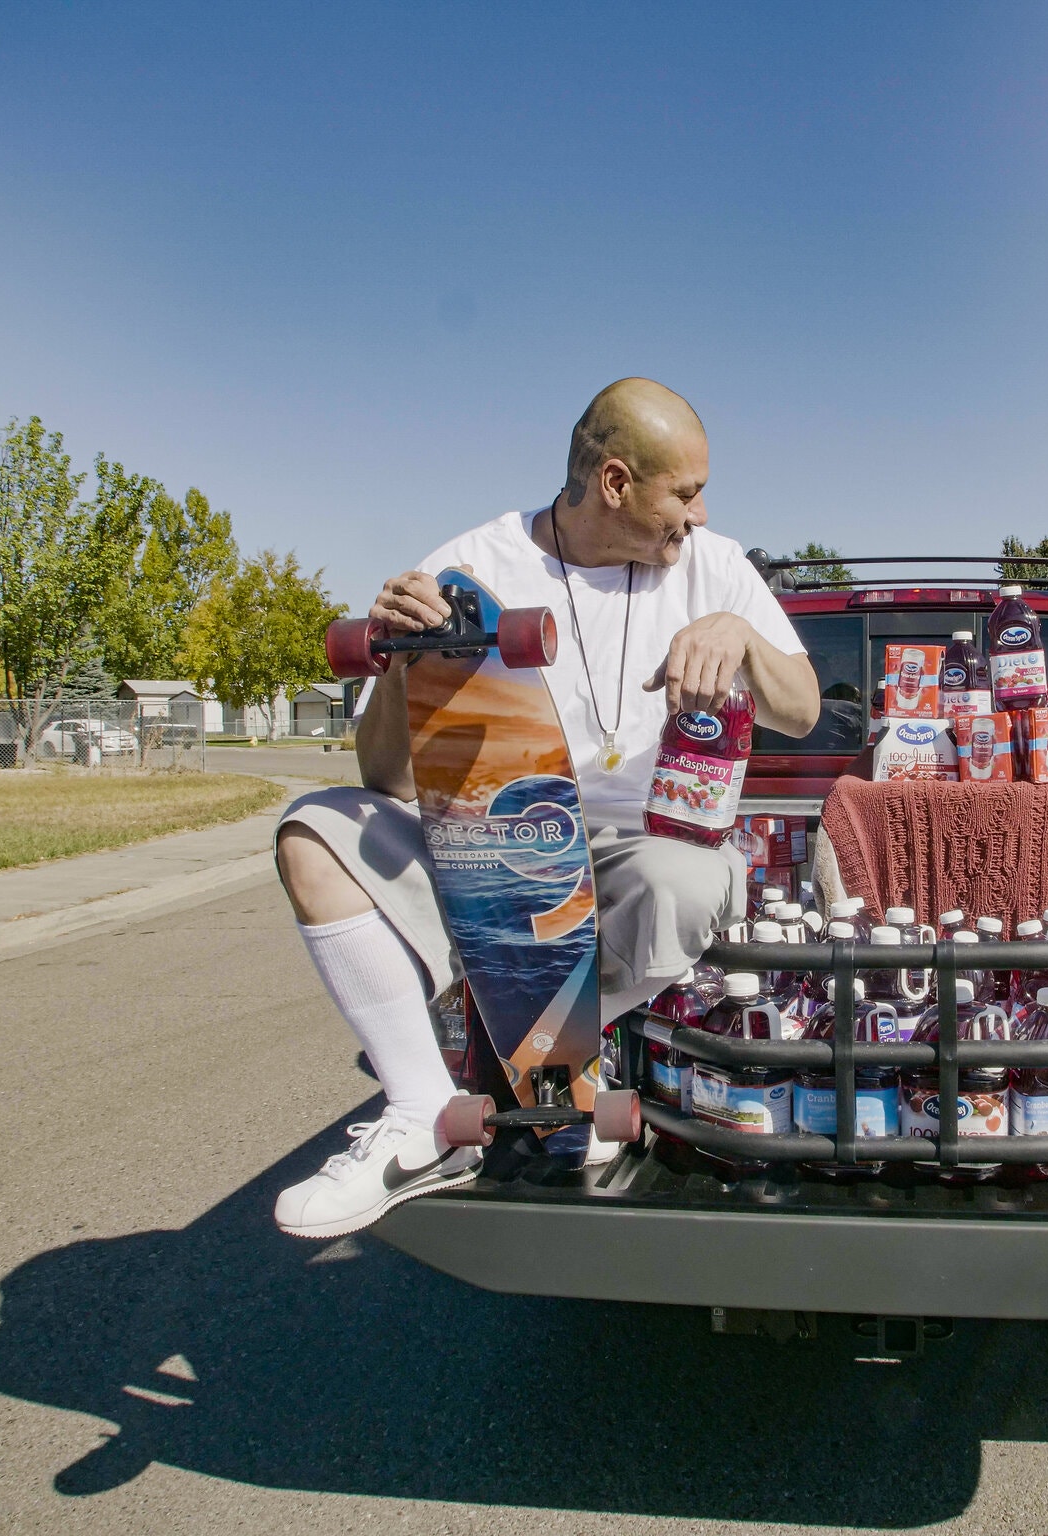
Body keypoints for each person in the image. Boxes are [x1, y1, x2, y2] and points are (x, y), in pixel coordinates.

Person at [271, 378, 820, 1238]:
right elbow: (387, 781)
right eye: (683, 493)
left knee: (688, 878)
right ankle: (424, 1113)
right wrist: (401, 661)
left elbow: (804, 709)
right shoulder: (472, 569)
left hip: (640, 845)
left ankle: (541, 1054)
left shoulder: (713, 565)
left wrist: (742, 637)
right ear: (614, 482)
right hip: (489, 850)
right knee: (313, 833)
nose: (700, 514)